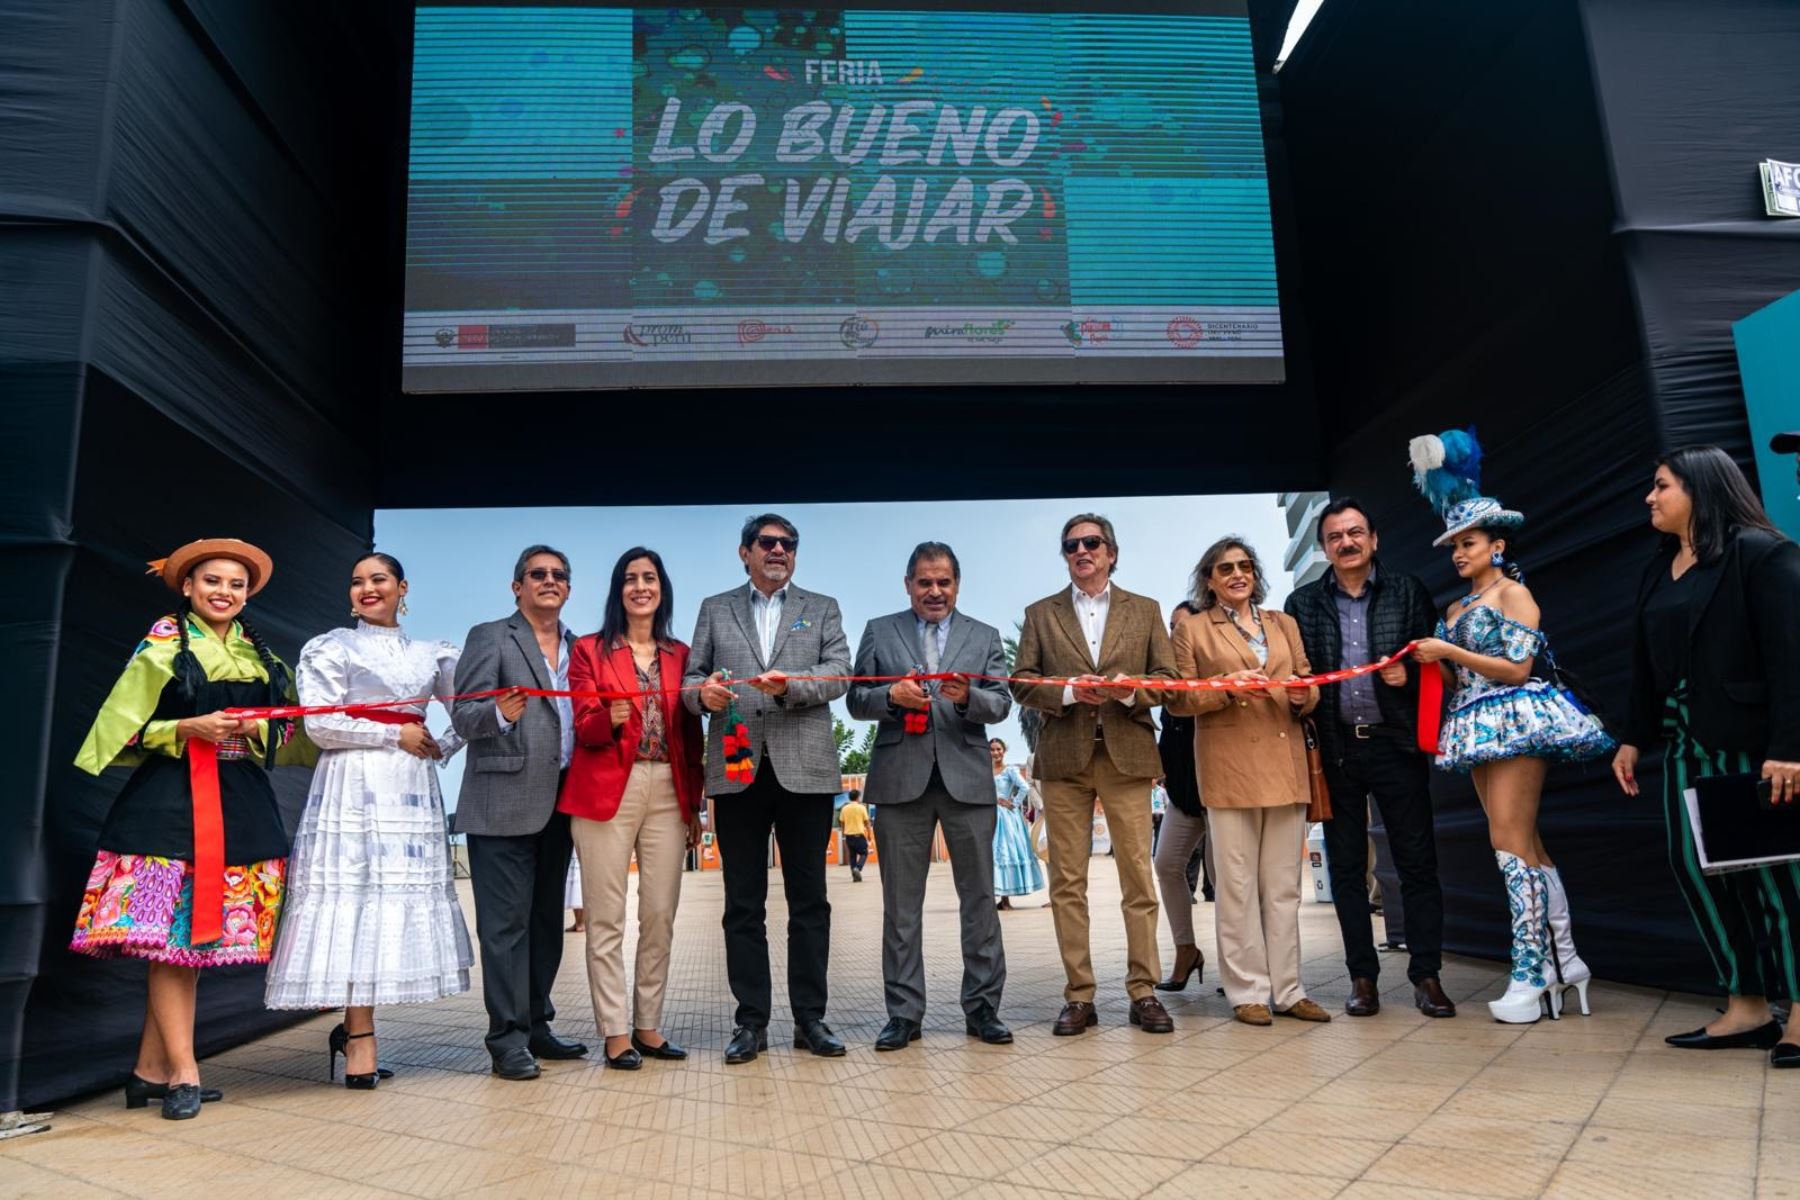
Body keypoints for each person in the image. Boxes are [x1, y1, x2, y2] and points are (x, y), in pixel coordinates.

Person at [72, 539, 305, 1119]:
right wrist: (183, 728)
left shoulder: (262, 654)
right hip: (170, 802)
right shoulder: (163, 645)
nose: (224, 592)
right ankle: (183, 1072)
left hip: (240, 801)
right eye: (212, 582)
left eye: (236, 585)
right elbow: (122, 729)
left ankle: (148, 1072)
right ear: (187, 587)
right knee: (174, 946)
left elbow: (293, 732)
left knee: (190, 950)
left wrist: (257, 732)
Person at [1407, 430, 1614, 1024]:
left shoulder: (1513, 594)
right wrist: (1429, 668)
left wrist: (1450, 654)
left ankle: (1531, 971)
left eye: (1467, 543)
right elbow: (1455, 680)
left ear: (1496, 545)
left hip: (1517, 718)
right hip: (1473, 723)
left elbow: (1518, 667)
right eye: (1453, 545)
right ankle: (1566, 960)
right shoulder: (1454, 610)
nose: (1457, 553)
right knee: (1527, 845)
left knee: (1510, 843)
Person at [1613, 446, 1800, 1065]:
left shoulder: (1761, 554)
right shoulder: (1658, 567)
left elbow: (1792, 657)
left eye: (1661, 485)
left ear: (1701, 488)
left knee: (1778, 881)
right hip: (1684, 745)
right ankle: (1746, 1005)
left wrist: (1789, 749)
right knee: (1699, 871)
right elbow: (1645, 663)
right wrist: (1633, 734)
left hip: (1753, 747)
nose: (1651, 497)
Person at [264, 552, 474, 1088]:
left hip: (408, 788)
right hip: (350, 783)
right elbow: (321, 724)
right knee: (355, 897)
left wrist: (439, 744)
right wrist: (394, 734)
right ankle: (359, 1035)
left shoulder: (435, 653)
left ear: (403, 587)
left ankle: (360, 1030)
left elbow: (466, 716)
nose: (367, 589)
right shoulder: (332, 646)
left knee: (387, 901)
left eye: (378, 579)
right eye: (357, 581)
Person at [684, 514, 852, 1064]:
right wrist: (701, 696)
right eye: (767, 543)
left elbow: (839, 674)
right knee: (742, 905)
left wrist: (791, 688)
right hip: (735, 771)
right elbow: (691, 678)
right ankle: (750, 1022)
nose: (778, 550)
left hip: (804, 770)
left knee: (810, 903)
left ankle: (811, 1020)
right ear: (745, 552)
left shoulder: (821, 607)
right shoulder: (715, 608)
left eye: (788, 544)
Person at [1285, 497, 1455, 1019]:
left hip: (1395, 743)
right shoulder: (1303, 604)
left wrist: (1412, 678)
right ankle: (1362, 977)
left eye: (1355, 532)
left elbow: (1441, 666)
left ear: (1374, 539)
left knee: (1417, 863)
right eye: (1335, 537)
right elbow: (1300, 673)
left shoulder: (1407, 591)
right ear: (1324, 548)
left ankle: (1427, 975)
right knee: (1346, 869)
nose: (1347, 543)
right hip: (1335, 750)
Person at [1010, 514, 1177, 1035]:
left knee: (1137, 877)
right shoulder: (1041, 614)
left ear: (1111, 551)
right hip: (1063, 757)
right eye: (1071, 545)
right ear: (1065, 555)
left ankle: (1143, 991)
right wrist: (1064, 691)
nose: (1082, 551)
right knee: (1067, 882)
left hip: (1127, 753)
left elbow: (1169, 682)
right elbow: (1020, 681)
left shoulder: (1145, 610)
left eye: (1092, 543)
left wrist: (1129, 690)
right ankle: (1079, 995)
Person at [848, 542, 1014, 1050]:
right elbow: (856, 699)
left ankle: (983, 1010)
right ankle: (903, 1014)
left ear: (957, 585)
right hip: (901, 783)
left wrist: (970, 699)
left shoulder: (983, 635)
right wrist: (889, 698)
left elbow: (1001, 702)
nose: (934, 591)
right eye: (924, 582)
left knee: (980, 901)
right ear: (908, 585)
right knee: (901, 907)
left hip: (967, 780)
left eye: (943, 582)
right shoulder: (880, 630)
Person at [1168, 538, 1332, 1027]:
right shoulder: (1193, 630)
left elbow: (1306, 682)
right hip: (1229, 770)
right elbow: (1178, 700)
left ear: (1255, 575)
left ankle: (1290, 989)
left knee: (1283, 888)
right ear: (1209, 580)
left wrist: (1304, 696)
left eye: (1244, 566)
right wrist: (1223, 690)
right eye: (1225, 568)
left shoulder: (1284, 623)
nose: (1237, 574)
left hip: (1285, 766)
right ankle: (1247, 992)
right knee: (1236, 888)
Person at [558, 548, 704, 1071]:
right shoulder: (590, 651)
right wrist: (610, 719)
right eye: (630, 578)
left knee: (660, 913)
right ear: (617, 589)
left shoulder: (682, 654)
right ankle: (615, 1032)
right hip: (604, 791)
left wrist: (695, 805)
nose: (640, 586)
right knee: (606, 918)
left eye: (649, 578)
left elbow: (692, 732)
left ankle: (649, 1025)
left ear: (662, 588)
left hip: (669, 788)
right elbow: (582, 724)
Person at [450, 545, 587, 1080]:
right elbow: (463, 716)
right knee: (504, 928)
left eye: (558, 575)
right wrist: (498, 715)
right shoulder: (491, 636)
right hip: (501, 801)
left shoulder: (581, 648)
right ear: (517, 586)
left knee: (546, 921)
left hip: (563, 799)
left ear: (569, 589)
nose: (548, 581)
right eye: (537, 574)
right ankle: (505, 1038)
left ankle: (536, 1025)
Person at [1154, 600, 1212, 992]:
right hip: (1182, 792)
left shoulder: (1219, 672)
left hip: (1222, 790)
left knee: (1227, 882)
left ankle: (1243, 967)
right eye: (1173, 627)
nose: (1178, 633)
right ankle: (1185, 949)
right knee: (1166, 864)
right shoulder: (1170, 679)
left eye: (1185, 626)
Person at [990, 739, 1044, 910]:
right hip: (989, 814)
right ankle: (995, 896)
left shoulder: (1010, 770)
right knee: (990, 854)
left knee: (1005, 852)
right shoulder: (985, 771)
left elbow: (1024, 787)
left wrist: (1012, 803)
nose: (996, 753)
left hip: (1005, 817)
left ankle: (1005, 899)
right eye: (992, 750)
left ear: (1004, 751)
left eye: (998, 749)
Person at [839, 790, 871, 882]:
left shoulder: (844, 808)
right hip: (859, 836)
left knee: (852, 856)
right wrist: (869, 834)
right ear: (858, 797)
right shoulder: (861, 807)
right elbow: (867, 822)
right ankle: (858, 868)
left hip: (849, 836)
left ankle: (855, 877)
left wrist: (844, 832)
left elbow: (842, 822)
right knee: (864, 853)